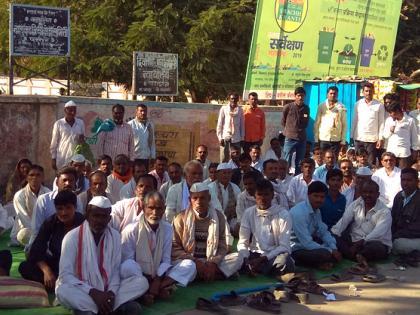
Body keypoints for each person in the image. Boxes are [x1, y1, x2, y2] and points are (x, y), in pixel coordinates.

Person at [55, 196, 144, 315]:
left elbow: (116, 271)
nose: (99, 221)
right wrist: (93, 292)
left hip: (107, 290)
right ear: (87, 215)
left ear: (109, 219)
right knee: (63, 290)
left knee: (141, 282)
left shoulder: (115, 236)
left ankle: (94, 309)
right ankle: (113, 308)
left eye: (104, 217)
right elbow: (65, 275)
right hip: (83, 291)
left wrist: (111, 293)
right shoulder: (72, 237)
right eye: (96, 216)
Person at [170, 183, 242, 286]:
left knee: (237, 257)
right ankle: (215, 275)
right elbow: (175, 248)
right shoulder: (180, 218)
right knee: (188, 266)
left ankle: (200, 276)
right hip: (190, 260)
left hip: (210, 260)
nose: (199, 202)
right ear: (190, 199)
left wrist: (213, 263)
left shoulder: (218, 216)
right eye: (195, 198)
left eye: (202, 198)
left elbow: (223, 244)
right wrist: (196, 262)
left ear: (209, 198)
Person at [19, 191, 84, 291]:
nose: (64, 213)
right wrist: (47, 271)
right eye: (60, 209)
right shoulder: (51, 222)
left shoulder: (84, 223)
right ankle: (59, 285)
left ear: (75, 207)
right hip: (57, 265)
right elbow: (37, 249)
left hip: (79, 267)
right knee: (25, 266)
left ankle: (63, 286)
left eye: (68, 208)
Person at [121, 192, 175, 305]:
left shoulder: (168, 228)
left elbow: (166, 259)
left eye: (159, 208)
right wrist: (151, 281)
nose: (155, 213)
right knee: (128, 266)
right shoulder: (131, 229)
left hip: (157, 273)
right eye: (151, 208)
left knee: (187, 266)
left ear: (164, 209)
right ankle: (154, 290)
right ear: (143, 207)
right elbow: (127, 261)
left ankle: (150, 291)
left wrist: (158, 279)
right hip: (138, 275)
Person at [238, 179, 294, 276]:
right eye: (259, 194)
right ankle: (254, 268)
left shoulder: (283, 214)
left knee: (284, 261)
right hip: (254, 254)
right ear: (254, 196)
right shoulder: (249, 213)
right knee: (236, 258)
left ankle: (256, 269)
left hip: (273, 255)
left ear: (272, 195)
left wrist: (263, 259)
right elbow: (243, 241)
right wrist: (245, 258)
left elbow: (284, 246)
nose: (263, 198)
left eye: (266, 194)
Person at [332, 180, 391, 265]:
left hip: (372, 243)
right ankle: (357, 256)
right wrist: (334, 234)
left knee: (376, 247)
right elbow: (343, 221)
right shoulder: (356, 204)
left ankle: (354, 255)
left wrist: (360, 243)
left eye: (371, 192)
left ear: (377, 195)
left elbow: (378, 233)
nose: (367, 195)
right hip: (354, 241)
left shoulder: (384, 211)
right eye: (365, 192)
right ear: (361, 193)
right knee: (334, 238)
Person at [290, 182, 342, 270]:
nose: (319, 200)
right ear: (308, 195)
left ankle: (324, 263)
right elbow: (306, 243)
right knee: (325, 254)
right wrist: (330, 251)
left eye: (322, 197)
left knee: (337, 241)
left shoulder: (317, 210)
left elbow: (323, 231)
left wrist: (333, 248)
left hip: (309, 245)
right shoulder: (298, 213)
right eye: (316, 196)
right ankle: (319, 263)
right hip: (295, 249)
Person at [30, 167, 83, 245]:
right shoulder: (44, 200)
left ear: (75, 183)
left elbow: (79, 225)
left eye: (71, 180)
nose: (68, 183)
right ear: (57, 182)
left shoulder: (77, 200)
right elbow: (36, 229)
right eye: (64, 180)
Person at [12, 165, 50, 246]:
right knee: (25, 236)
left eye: (38, 175)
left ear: (43, 177)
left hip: (45, 230)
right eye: (31, 175)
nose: (34, 178)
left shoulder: (48, 193)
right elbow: (24, 217)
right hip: (25, 229)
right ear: (26, 178)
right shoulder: (20, 195)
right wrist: (38, 233)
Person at [351, 82, 385, 166]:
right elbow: (354, 120)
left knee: (370, 162)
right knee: (358, 162)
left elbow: (381, 123)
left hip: (371, 139)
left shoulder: (379, 105)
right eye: (366, 91)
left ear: (373, 92)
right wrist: (351, 136)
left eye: (370, 91)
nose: (368, 93)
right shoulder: (358, 104)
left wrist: (380, 138)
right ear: (363, 92)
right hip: (359, 138)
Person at [281, 87, 310, 175]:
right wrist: (290, 130)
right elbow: (283, 121)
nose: (300, 98)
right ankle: (285, 177)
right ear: (295, 96)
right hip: (290, 138)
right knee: (286, 160)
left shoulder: (306, 108)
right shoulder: (288, 107)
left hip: (301, 138)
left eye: (302, 96)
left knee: (300, 161)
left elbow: (306, 123)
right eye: (299, 95)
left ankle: (298, 178)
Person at [391, 168, 420, 255]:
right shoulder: (399, 196)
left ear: (417, 181)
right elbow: (393, 219)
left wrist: (399, 234)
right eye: (403, 180)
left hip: (414, 237)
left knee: (398, 245)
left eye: (409, 180)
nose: (405, 183)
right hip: (399, 236)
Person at [50, 100, 85, 171]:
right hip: (62, 157)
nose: (72, 113)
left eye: (74, 110)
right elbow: (54, 142)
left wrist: (82, 140)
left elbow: (83, 140)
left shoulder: (80, 123)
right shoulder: (59, 123)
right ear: (65, 110)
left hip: (76, 158)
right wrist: (53, 158)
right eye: (70, 110)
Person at [208, 163, 241, 236]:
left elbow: (240, 205)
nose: (226, 175)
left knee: (239, 228)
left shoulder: (235, 187)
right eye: (224, 173)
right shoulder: (210, 188)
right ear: (218, 174)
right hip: (215, 219)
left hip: (230, 219)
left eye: (229, 173)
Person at [383, 103, 419, 169]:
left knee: (403, 175)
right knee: (391, 174)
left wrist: (415, 151)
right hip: (391, 153)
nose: (390, 114)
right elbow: (385, 135)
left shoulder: (410, 120)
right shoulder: (389, 120)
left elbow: (414, 138)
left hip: (404, 153)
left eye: (391, 112)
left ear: (397, 111)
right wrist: (390, 131)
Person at [314, 86, 347, 155]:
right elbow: (317, 123)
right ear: (327, 94)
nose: (332, 95)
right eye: (331, 93)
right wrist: (316, 139)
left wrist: (343, 141)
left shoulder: (342, 107)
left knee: (333, 160)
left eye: (334, 94)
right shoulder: (322, 106)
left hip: (336, 139)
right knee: (323, 159)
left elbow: (344, 125)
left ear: (337, 95)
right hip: (323, 138)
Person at [217, 92, 245, 162]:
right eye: (232, 99)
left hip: (236, 139)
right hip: (225, 138)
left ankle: (235, 172)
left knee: (237, 159)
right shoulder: (224, 109)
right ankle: (222, 172)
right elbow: (219, 124)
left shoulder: (240, 110)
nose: (233, 100)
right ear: (229, 99)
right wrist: (220, 138)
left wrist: (242, 138)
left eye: (235, 99)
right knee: (224, 159)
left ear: (238, 100)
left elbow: (242, 125)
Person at [128, 104, 156, 172]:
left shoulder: (150, 125)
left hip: (146, 158)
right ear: (136, 111)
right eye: (141, 111)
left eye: (145, 111)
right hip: (134, 158)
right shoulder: (130, 125)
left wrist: (153, 156)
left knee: (144, 178)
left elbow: (152, 142)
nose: (143, 113)